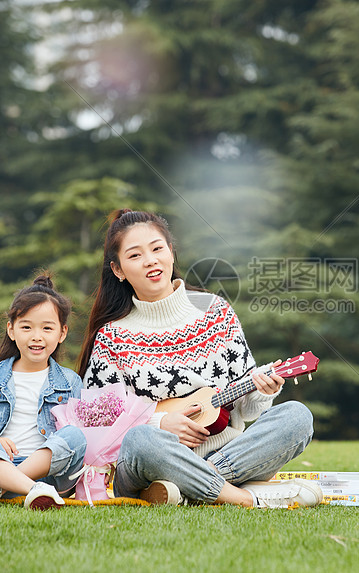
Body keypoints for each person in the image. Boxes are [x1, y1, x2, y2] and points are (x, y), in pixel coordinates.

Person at [77, 209, 321, 508]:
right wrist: (160, 422)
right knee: (142, 440)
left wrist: (263, 391)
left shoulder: (214, 312)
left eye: (157, 249)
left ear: (171, 253)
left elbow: (247, 409)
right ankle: (242, 497)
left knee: (296, 416)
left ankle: (186, 488)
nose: (151, 260)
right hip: (151, 460)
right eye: (135, 255)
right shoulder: (112, 336)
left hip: (225, 453)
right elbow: (94, 420)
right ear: (118, 270)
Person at [0, 274, 87, 510]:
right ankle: (31, 490)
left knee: (76, 436)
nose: (36, 336)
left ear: (62, 333)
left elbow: (75, 438)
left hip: (49, 475)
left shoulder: (70, 381)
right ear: (12, 330)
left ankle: (2, 486)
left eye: (47, 328)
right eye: (26, 327)